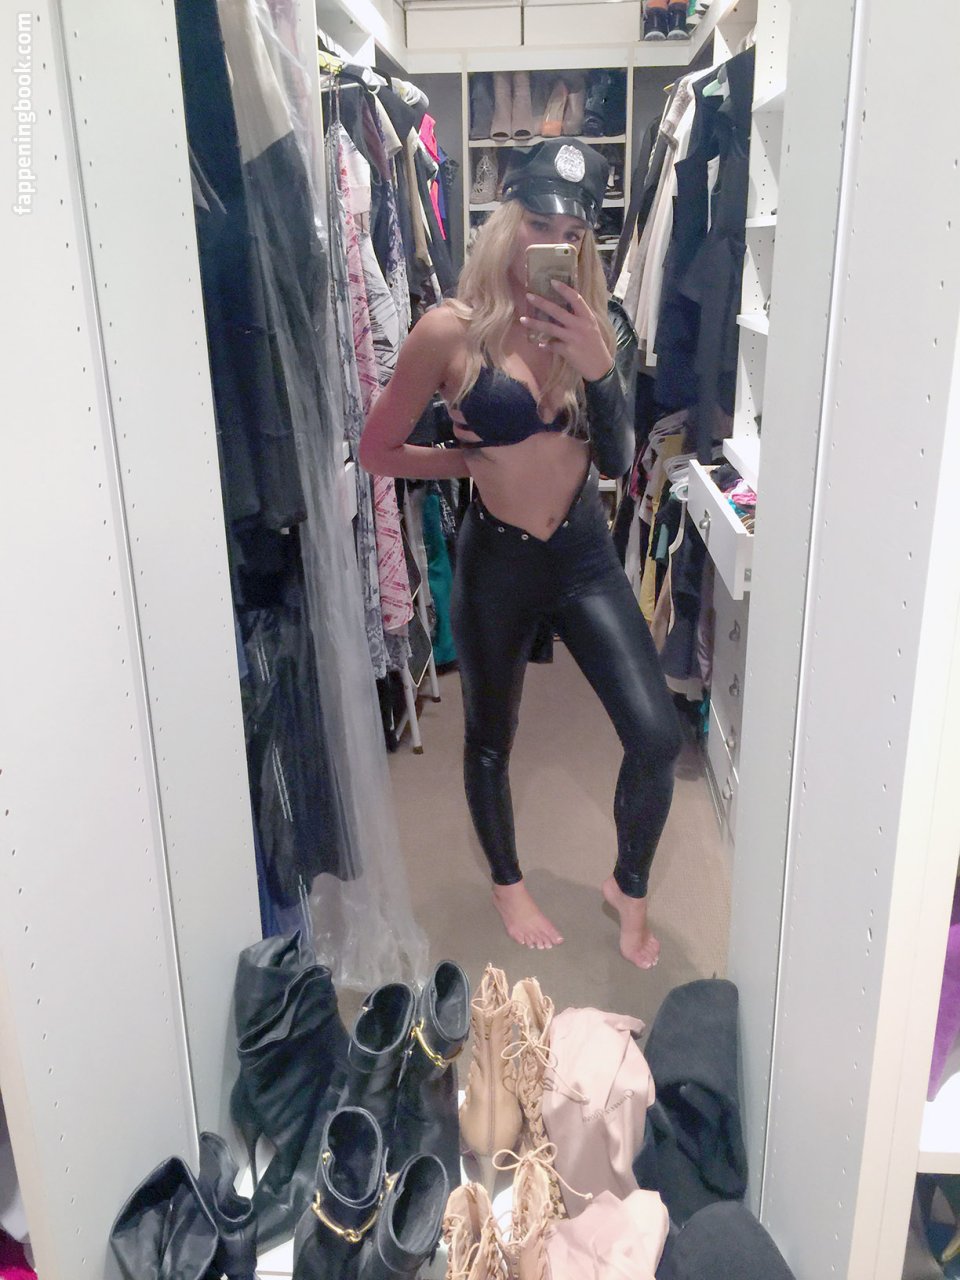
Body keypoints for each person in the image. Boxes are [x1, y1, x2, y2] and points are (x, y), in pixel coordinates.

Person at [360, 139, 682, 969]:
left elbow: (618, 461)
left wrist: (600, 369)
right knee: (491, 736)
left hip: (582, 557)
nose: (554, 243)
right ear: (508, 223)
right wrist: (467, 460)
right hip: (497, 561)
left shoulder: (603, 328)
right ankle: (507, 883)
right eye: (539, 223)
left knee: (656, 736)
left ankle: (629, 885)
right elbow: (377, 451)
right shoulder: (449, 331)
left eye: (572, 233)